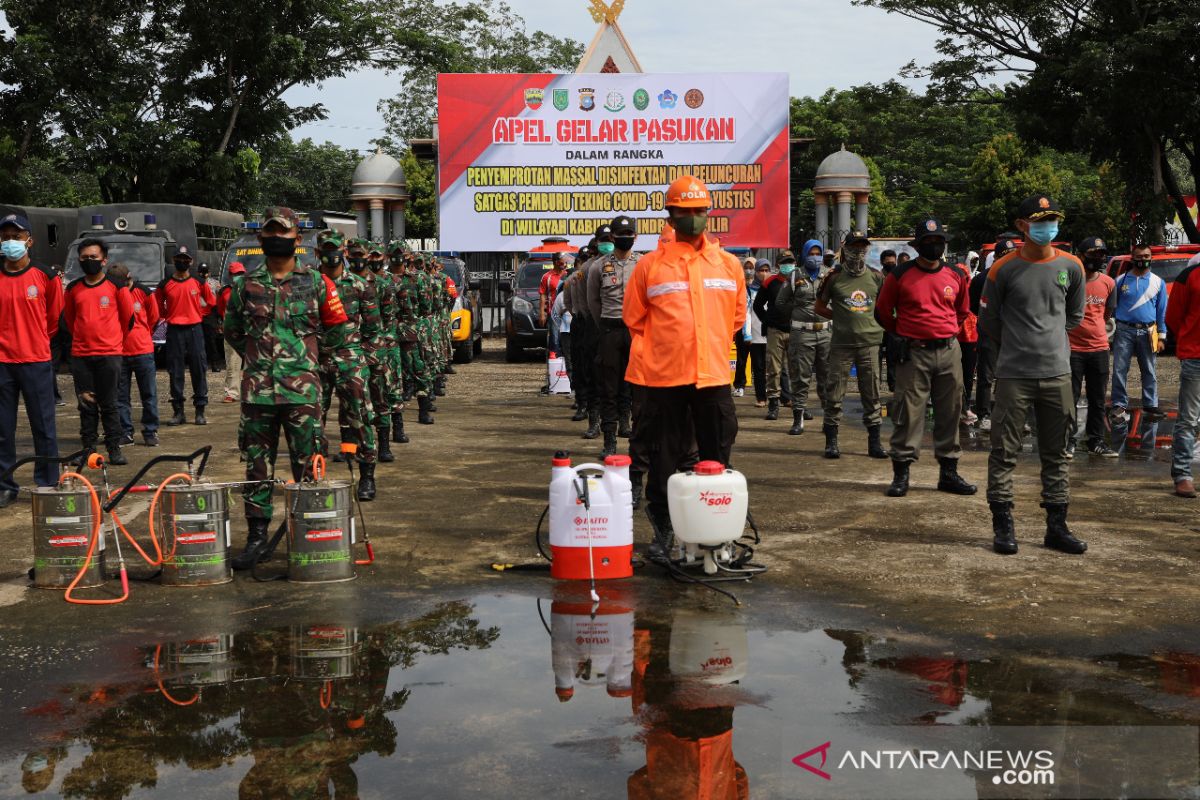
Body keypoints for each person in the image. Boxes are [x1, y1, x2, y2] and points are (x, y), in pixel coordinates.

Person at [623, 176, 745, 556]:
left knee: (718, 452)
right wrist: (671, 347)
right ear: (671, 217)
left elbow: (736, 318)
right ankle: (663, 533)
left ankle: (712, 531)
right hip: (666, 379)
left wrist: (704, 345)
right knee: (663, 458)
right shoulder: (649, 266)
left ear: (708, 214)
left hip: (712, 378)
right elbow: (634, 318)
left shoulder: (729, 265)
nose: (692, 218)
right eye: (684, 212)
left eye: (698, 211)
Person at [222, 207, 349, 570]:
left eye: (285, 233)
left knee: (309, 464)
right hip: (258, 392)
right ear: (262, 239)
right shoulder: (245, 285)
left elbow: (337, 328)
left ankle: (308, 535)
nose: (277, 238)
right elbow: (231, 329)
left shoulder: (317, 283)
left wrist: (309, 360)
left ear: (297, 240)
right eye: (271, 232)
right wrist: (258, 359)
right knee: (256, 467)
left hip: (303, 393)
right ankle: (257, 538)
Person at [979, 194, 1087, 555]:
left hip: (1057, 373)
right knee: (1004, 451)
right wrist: (1019, 343)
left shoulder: (1072, 266)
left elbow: (1073, 316)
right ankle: (1003, 526)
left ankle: (1056, 526)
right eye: (1040, 220)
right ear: (1023, 225)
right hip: (1013, 375)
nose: (1048, 227)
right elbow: (989, 321)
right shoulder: (1003, 269)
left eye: (1052, 219)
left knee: (1057, 453)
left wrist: (1049, 340)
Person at [875, 217, 975, 498]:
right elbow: (883, 312)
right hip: (914, 353)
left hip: (948, 351)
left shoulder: (956, 275)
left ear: (944, 244)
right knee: (908, 412)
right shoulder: (900, 275)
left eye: (938, 242)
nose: (934, 246)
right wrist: (905, 334)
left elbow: (962, 310)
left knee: (951, 410)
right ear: (918, 246)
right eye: (928, 242)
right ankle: (901, 473)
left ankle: (949, 472)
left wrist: (945, 331)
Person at [0, 213, 63, 507]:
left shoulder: (45, 277)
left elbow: (53, 320)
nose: (11, 241)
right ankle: (5, 485)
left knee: (43, 426)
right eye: (6, 236)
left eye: (17, 235)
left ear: (29, 240)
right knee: (2, 430)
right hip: (2, 364)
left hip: (36, 361)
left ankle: (48, 481)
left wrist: (34, 339)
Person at [316, 229, 381, 500]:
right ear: (319, 253)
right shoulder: (309, 284)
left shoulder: (359, 285)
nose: (332, 255)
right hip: (316, 361)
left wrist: (360, 357)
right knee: (311, 422)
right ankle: (313, 476)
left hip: (349, 360)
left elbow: (373, 329)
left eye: (335, 249)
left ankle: (367, 477)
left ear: (342, 250)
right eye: (326, 250)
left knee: (360, 418)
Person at [815, 230, 886, 458]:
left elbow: (884, 307)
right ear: (845, 250)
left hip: (870, 344)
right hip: (841, 345)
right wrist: (839, 317)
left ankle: (874, 442)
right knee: (835, 393)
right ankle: (832, 441)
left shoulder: (876, 277)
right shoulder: (834, 277)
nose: (857, 254)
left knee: (872, 393)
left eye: (862, 249)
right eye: (853, 249)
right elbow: (819, 306)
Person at [64, 238, 134, 464]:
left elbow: (127, 319)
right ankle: (89, 450)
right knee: (86, 404)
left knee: (109, 403)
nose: (89, 261)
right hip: (82, 355)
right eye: (84, 258)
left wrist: (112, 342)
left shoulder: (117, 287)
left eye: (93, 257)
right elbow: (70, 319)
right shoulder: (74, 288)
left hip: (109, 355)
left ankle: (114, 449)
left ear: (104, 260)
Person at [587, 215, 639, 456]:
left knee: (635, 384)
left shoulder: (642, 265)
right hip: (609, 329)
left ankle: (630, 428)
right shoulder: (599, 266)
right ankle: (609, 441)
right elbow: (593, 301)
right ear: (612, 237)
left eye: (629, 235)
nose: (625, 239)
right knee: (608, 386)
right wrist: (604, 325)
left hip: (635, 331)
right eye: (621, 235)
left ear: (635, 237)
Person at [775, 241, 831, 433]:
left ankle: (828, 420)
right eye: (811, 253)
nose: (814, 257)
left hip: (825, 333)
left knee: (827, 378)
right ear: (805, 254)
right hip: (802, 334)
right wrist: (798, 312)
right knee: (800, 377)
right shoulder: (794, 276)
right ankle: (798, 419)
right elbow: (781, 302)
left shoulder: (829, 274)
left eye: (818, 253)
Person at [1069, 237, 1117, 458]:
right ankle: (1067, 441)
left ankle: (1096, 441)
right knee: (1070, 396)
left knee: (1097, 398)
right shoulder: (1069, 280)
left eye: (1101, 254)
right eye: (1093, 253)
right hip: (1071, 348)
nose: (1097, 258)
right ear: (1080, 255)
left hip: (1099, 348)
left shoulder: (1109, 283)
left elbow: (1107, 314)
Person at [1110, 242, 1168, 424]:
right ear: (1132, 257)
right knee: (1120, 368)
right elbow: (1111, 308)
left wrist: (1162, 336)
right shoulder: (1120, 281)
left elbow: (1161, 311)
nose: (1142, 260)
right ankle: (1119, 403)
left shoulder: (1159, 282)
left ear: (1151, 258)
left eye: (1146, 256)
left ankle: (1151, 403)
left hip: (1148, 331)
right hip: (1124, 330)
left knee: (1149, 369)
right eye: (1139, 256)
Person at [157, 245, 215, 425]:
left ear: (190, 262)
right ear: (174, 261)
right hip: (175, 330)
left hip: (194, 329)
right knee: (175, 371)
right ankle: (178, 412)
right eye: (179, 258)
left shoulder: (199, 281)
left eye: (186, 259)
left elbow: (212, 301)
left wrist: (199, 313)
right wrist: (168, 316)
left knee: (199, 368)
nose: (182, 261)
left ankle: (200, 410)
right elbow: (159, 306)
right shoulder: (165, 284)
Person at [109, 263, 160, 448]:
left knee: (149, 394)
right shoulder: (111, 293)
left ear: (129, 278)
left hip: (143, 351)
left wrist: (143, 334)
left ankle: (150, 431)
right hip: (119, 353)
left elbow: (154, 317)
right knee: (121, 397)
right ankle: (126, 432)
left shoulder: (144, 292)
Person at [971, 238, 1017, 432]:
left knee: (1012, 376)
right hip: (989, 331)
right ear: (996, 257)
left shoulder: (1020, 276)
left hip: (1013, 333)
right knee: (986, 375)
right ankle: (984, 415)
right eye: (1004, 256)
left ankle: (1009, 414)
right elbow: (973, 305)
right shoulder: (983, 278)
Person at [1166, 255, 1200, 497]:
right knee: (1188, 419)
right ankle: (1183, 474)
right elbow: (1173, 318)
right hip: (1195, 357)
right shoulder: (1189, 275)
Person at [752, 251, 793, 420]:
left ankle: (799, 404)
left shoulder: (799, 281)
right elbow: (757, 306)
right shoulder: (770, 282)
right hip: (775, 331)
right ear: (778, 265)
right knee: (774, 369)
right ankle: (774, 405)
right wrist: (767, 321)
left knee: (797, 369)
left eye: (791, 262)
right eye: (785, 262)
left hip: (796, 331)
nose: (788, 265)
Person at [737, 260, 770, 405]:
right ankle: (760, 396)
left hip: (772, 333)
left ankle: (779, 395)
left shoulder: (774, 287)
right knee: (757, 366)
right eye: (760, 270)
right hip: (755, 333)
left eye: (766, 270)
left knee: (776, 367)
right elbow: (747, 313)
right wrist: (747, 333)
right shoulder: (749, 289)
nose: (763, 273)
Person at [215, 262, 246, 403]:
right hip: (231, 331)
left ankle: (252, 392)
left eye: (240, 274)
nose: (238, 276)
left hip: (248, 329)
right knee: (232, 363)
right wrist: (222, 324)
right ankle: (232, 393)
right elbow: (220, 309)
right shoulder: (224, 292)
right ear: (230, 275)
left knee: (254, 362)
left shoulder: (250, 289)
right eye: (236, 274)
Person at [732, 257, 756, 396]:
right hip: (742, 326)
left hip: (756, 327)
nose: (748, 270)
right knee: (741, 358)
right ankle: (739, 385)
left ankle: (760, 386)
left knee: (758, 359)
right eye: (746, 267)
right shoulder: (739, 284)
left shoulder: (759, 286)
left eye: (751, 267)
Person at [539, 252, 567, 357]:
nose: (565, 263)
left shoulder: (569, 274)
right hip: (554, 312)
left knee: (567, 337)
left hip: (569, 312)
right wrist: (542, 313)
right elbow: (543, 295)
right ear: (556, 262)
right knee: (554, 337)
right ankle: (554, 356)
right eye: (563, 260)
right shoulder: (547, 277)